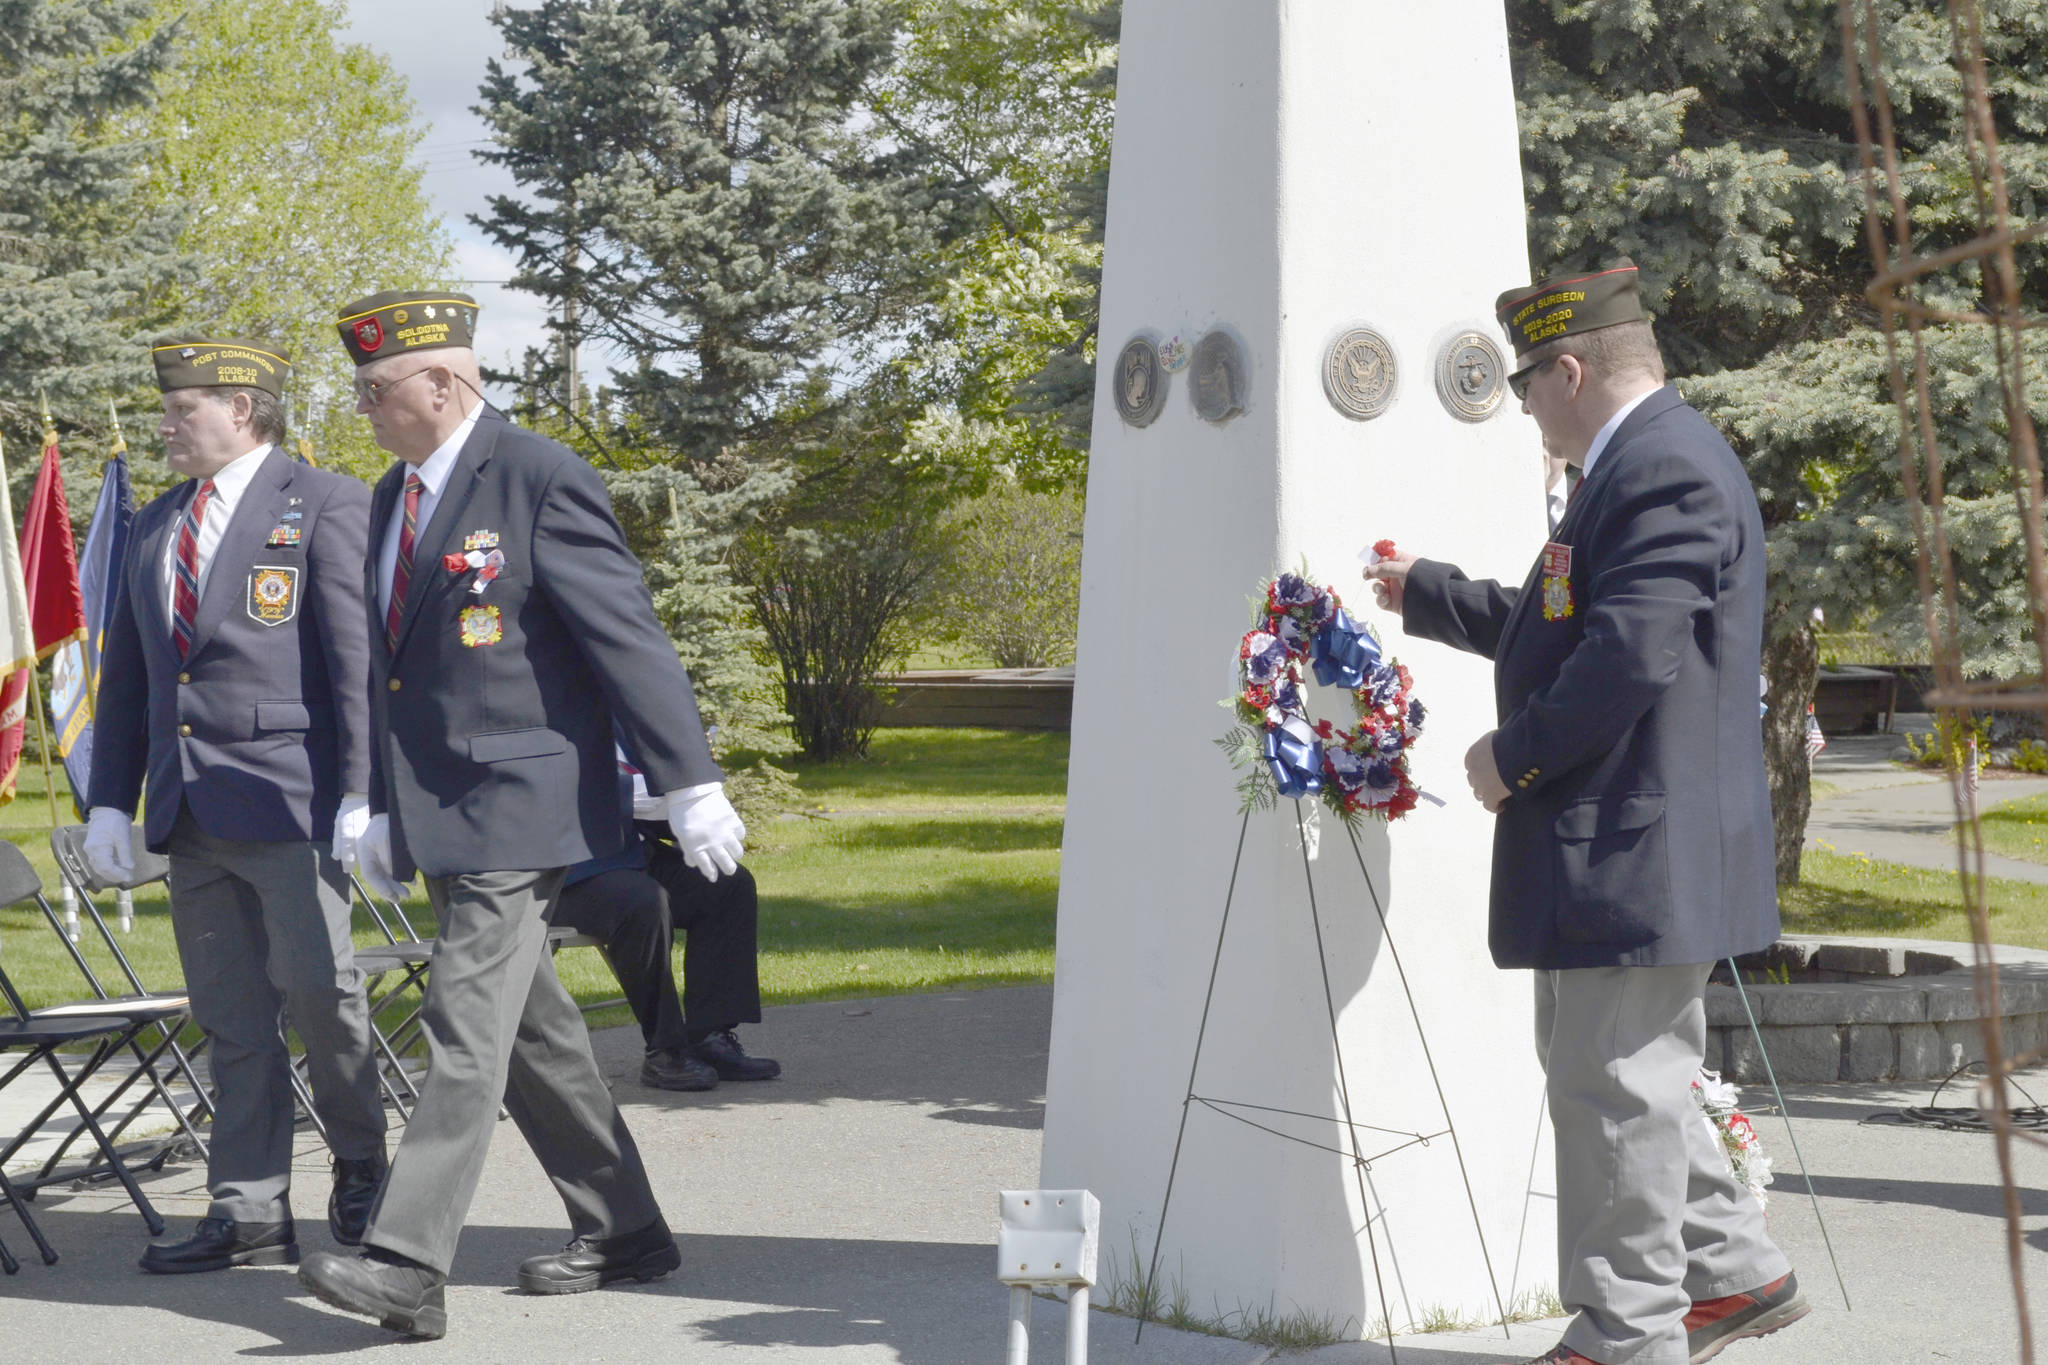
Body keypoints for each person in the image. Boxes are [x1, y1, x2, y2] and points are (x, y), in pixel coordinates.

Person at [1362, 262, 1808, 1365]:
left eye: (1523, 386)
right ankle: (1728, 1275)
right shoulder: (1635, 466)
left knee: (1614, 1089)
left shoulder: (1661, 469)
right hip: (1621, 847)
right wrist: (1427, 588)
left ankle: (1622, 1334)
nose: (1520, 409)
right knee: (1617, 1073)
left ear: (1568, 370)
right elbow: (1560, 621)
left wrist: (1510, 757)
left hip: (1635, 846)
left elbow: (1627, 653)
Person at [295, 291, 747, 1340]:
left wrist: (689, 780)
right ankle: (626, 1227)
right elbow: (386, 669)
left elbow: (624, 636)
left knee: (462, 1020)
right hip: (443, 806)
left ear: (444, 383)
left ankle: (406, 1264)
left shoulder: (538, 475)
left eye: (377, 390)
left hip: (525, 800)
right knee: (533, 1034)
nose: (363, 408)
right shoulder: (387, 497)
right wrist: (367, 794)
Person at [84, 336, 388, 1273]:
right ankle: (249, 1206)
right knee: (231, 1015)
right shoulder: (152, 524)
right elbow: (128, 679)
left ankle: (365, 1163)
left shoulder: (326, 499)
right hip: (189, 811)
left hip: (289, 801)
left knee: (323, 995)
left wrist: (364, 789)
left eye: (184, 410)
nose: (167, 425)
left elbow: (355, 661)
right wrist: (108, 801)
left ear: (243, 410)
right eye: (166, 410)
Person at [556, 757, 780, 1092]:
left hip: (630, 853)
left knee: (727, 884)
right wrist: (637, 795)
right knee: (644, 902)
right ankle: (666, 1051)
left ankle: (709, 1036)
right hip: (565, 872)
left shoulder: (616, 720)